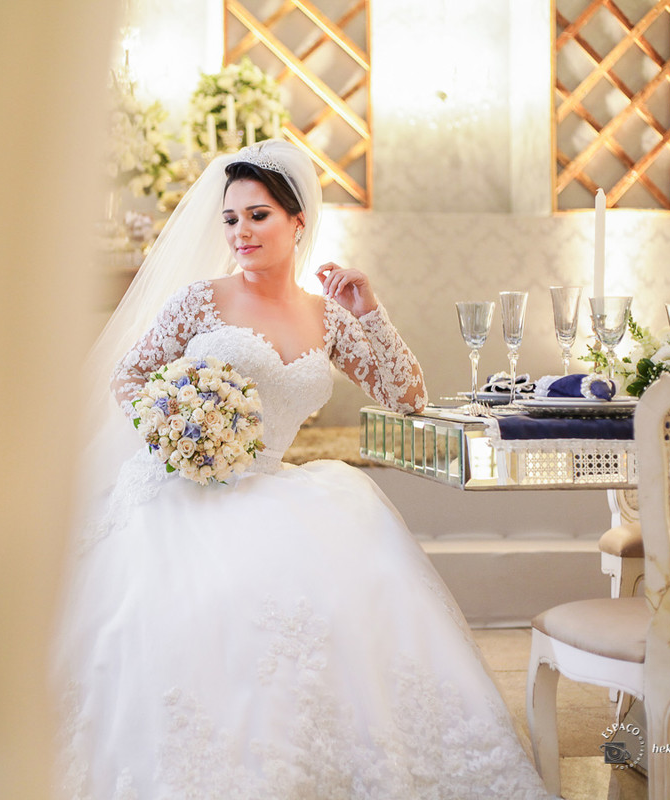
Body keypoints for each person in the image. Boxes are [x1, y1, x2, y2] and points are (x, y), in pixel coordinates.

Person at [54, 140, 553, 799]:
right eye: (231, 219)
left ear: (297, 223)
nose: (240, 232)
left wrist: (369, 309)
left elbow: (404, 395)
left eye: (258, 216)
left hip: (275, 486)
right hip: (186, 492)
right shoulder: (197, 303)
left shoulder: (328, 317)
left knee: (353, 585)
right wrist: (182, 428)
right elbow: (130, 377)